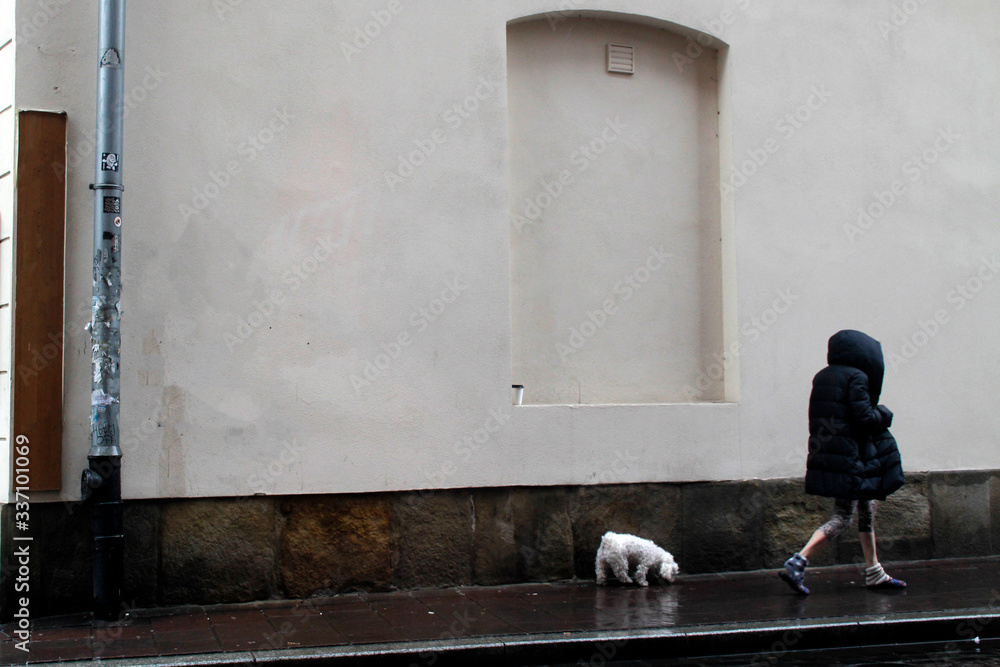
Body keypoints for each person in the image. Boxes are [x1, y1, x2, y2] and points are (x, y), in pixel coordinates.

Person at [779, 329, 906, 595]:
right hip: (852, 458)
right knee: (843, 517)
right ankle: (798, 561)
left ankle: (874, 572)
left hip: (833, 455)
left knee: (866, 509)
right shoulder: (857, 377)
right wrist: (883, 413)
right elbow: (865, 418)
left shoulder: (823, 376)